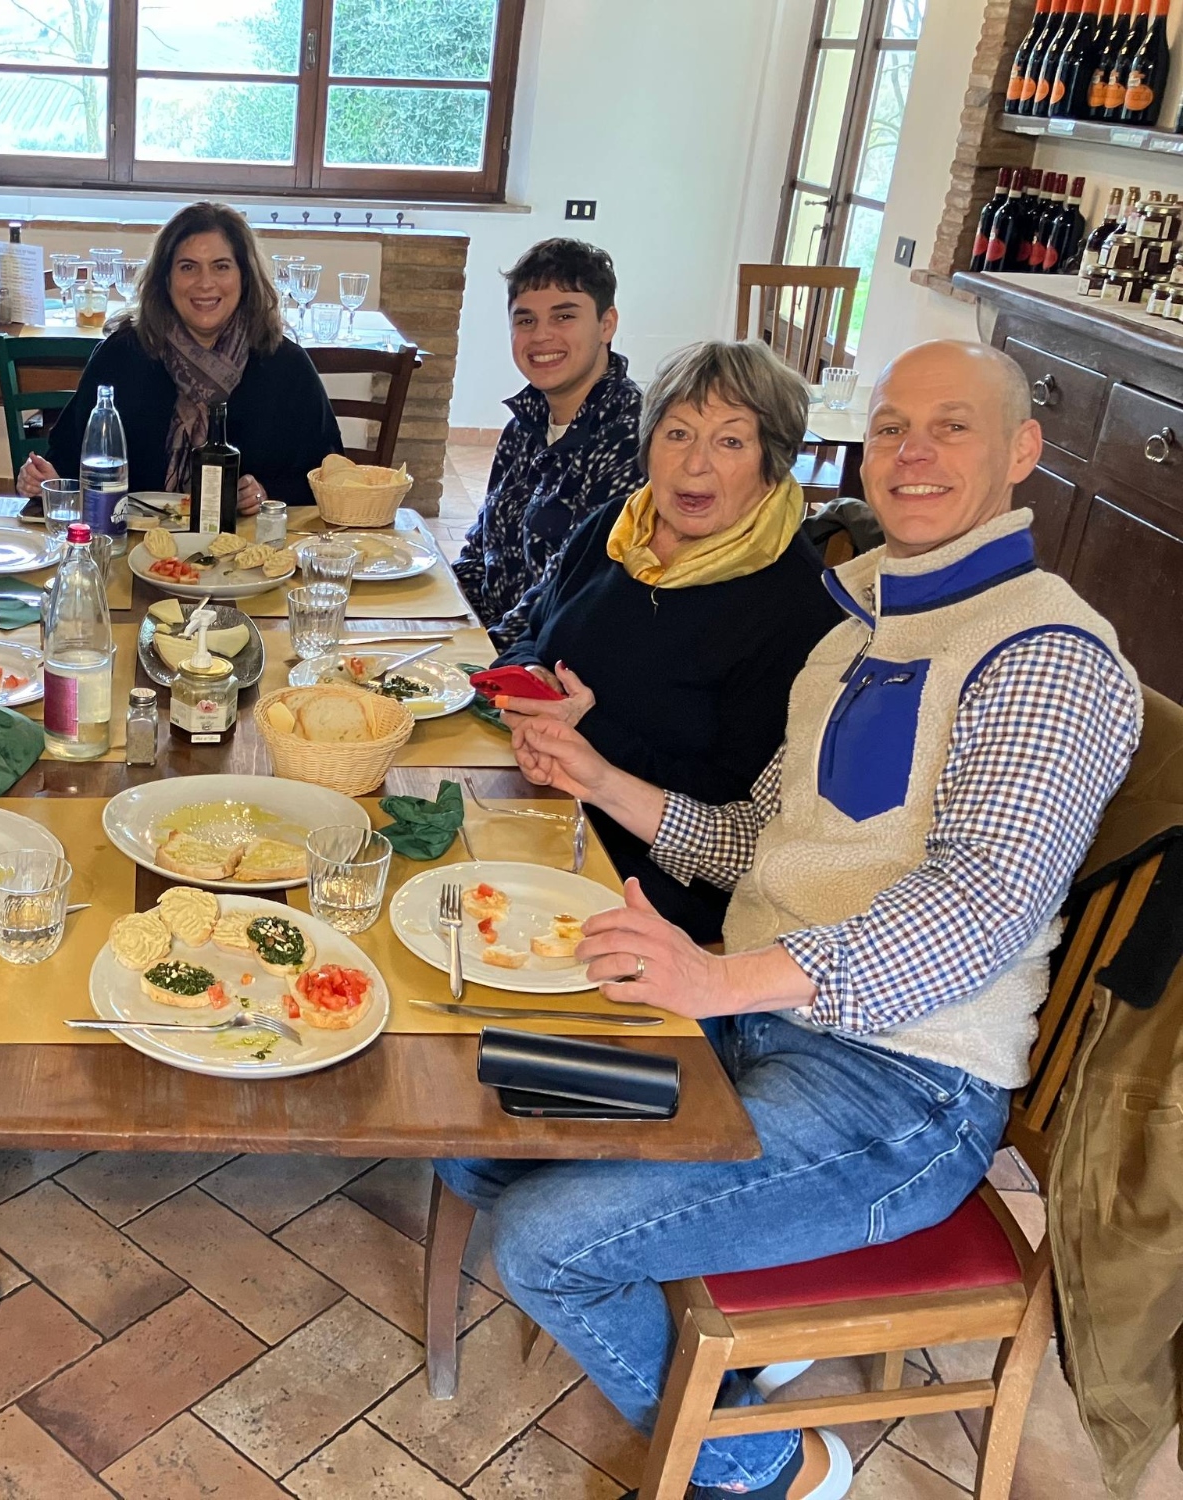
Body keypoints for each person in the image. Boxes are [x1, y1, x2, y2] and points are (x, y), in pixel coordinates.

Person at [442, 340, 1143, 1500]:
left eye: (951, 427)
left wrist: (714, 980)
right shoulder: (854, 630)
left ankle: (770, 1467)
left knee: (542, 1243)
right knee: (468, 1116)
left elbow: (976, 910)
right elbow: (750, 843)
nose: (911, 454)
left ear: (1022, 450)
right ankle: (723, 1289)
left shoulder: (1045, 655)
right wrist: (595, 776)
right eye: (890, 428)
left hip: (902, 1089)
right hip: (755, 1022)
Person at [493, 340, 840, 943]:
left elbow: (733, 805)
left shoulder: (798, 605)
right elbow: (533, 630)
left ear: (773, 464)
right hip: (545, 801)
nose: (695, 464)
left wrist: (585, 727)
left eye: (731, 442)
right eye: (677, 434)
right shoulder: (617, 527)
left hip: (654, 883)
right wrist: (534, 682)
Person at [15, 200, 343, 512]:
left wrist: (268, 493)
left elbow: (328, 477)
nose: (205, 283)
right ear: (166, 279)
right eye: (188, 267)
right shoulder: (121, 355)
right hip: (134, 541)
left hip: (249, 545)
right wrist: (44, 480)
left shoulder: (285, 365)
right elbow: (67, 459)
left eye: (221, 266)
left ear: (244, 276)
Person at [452, 238, 646, 651]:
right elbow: (479, 551)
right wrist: (444, 616)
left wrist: (472, 657)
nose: (541, 335)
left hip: (550, 661)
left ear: (607, 324)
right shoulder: (522, 426)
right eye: (525, 320)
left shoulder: (631, 439)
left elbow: (570, 592)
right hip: (491, 641)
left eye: (564, 316)